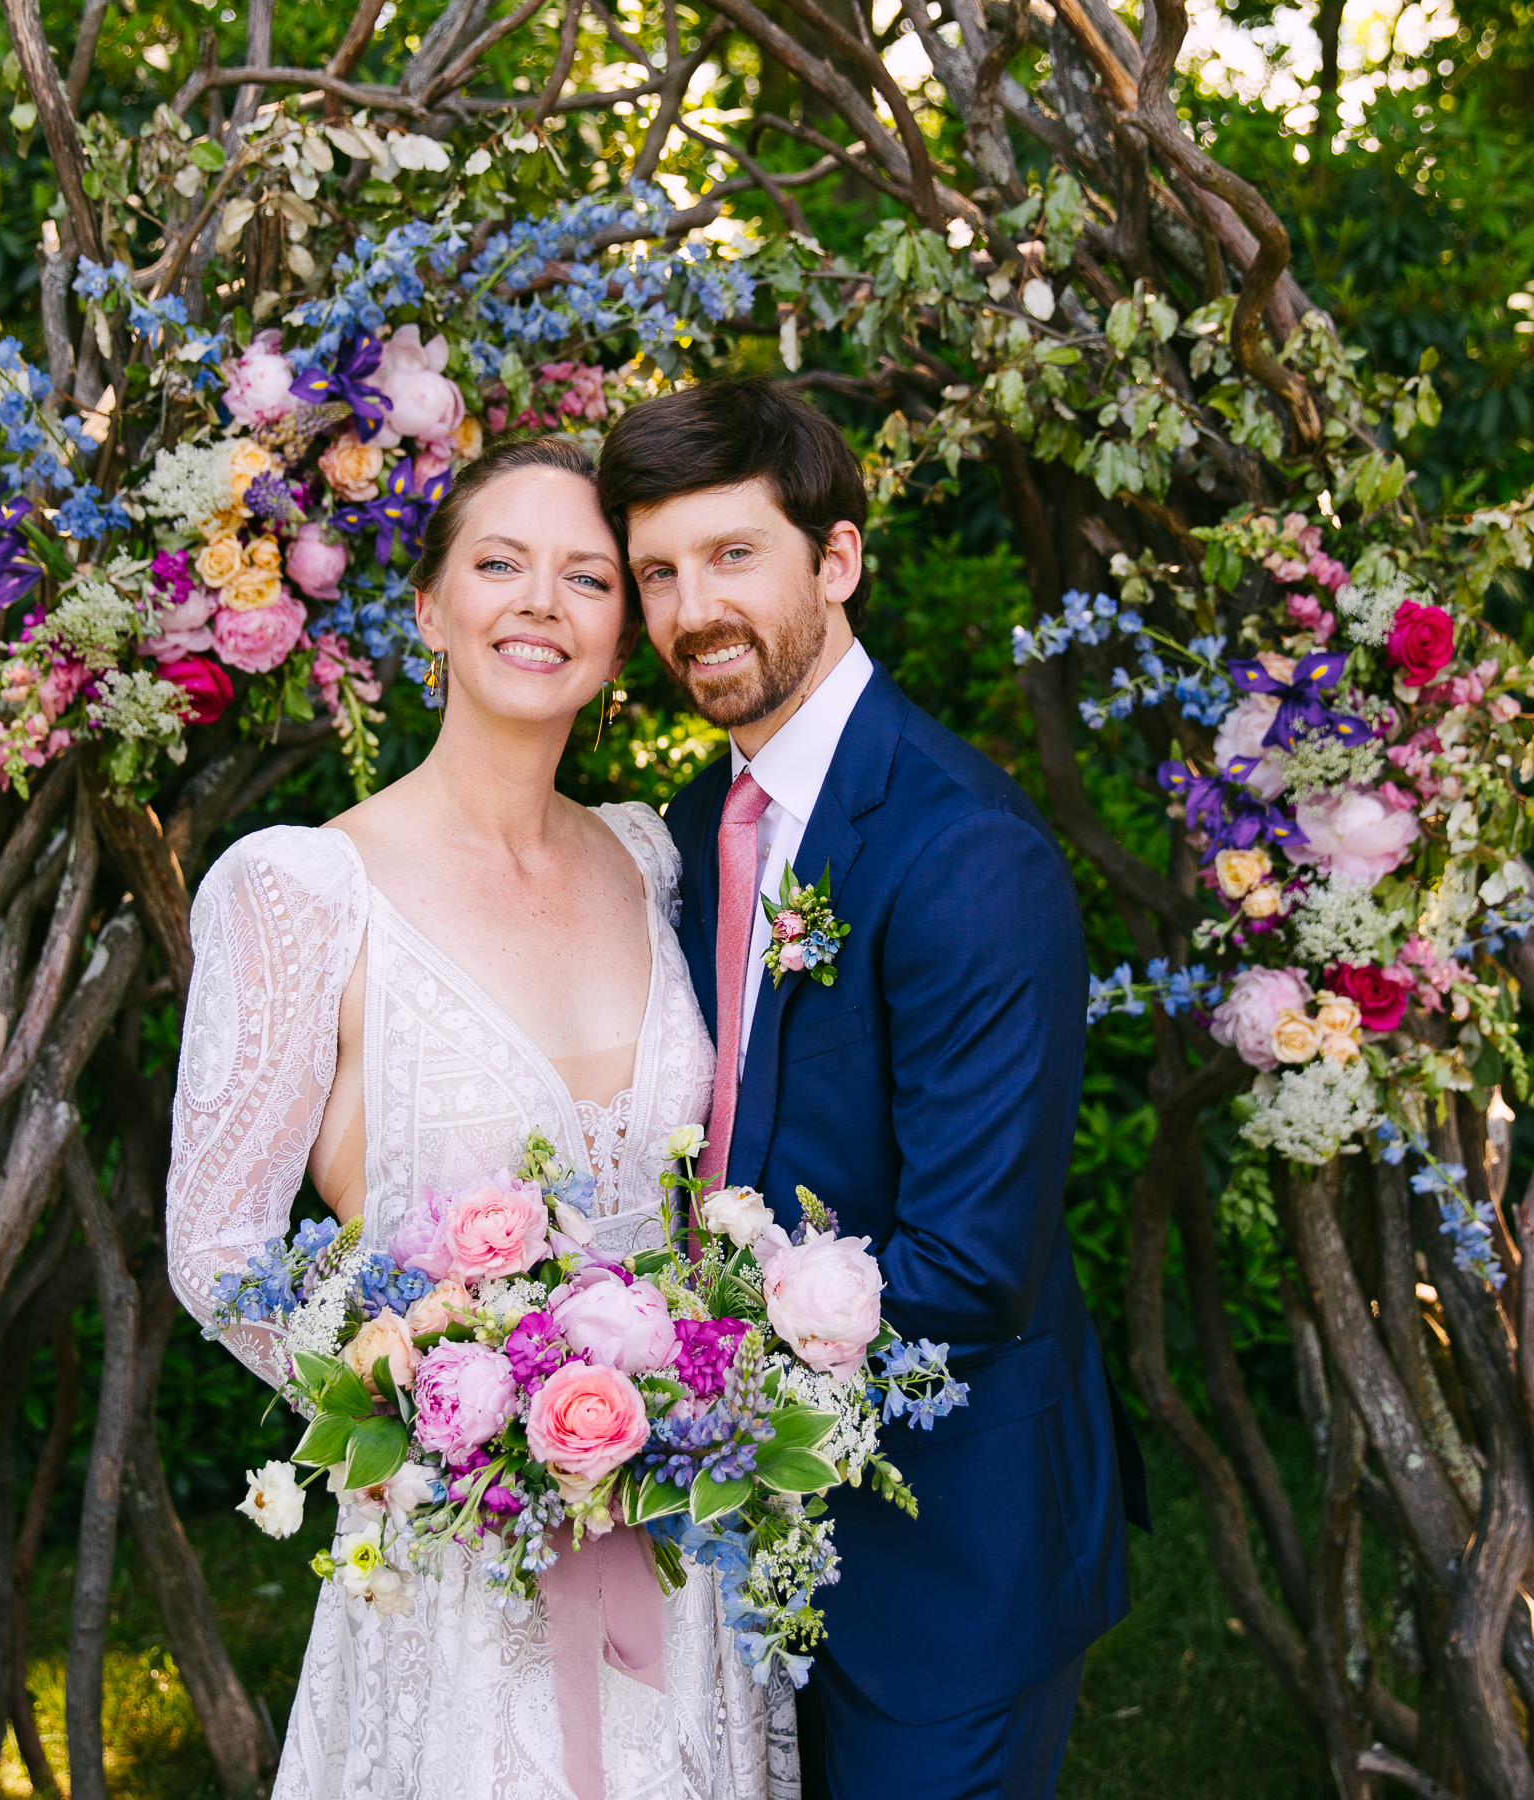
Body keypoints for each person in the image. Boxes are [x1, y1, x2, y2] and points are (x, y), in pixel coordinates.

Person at [165, 435, 794, 1800]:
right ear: (428, 610)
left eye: (585, 577)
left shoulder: (648, 859)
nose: (539, 603)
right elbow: (216, 1247)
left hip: (672, 1540)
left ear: (622, 630)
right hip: (455, 1555)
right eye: (499, 564)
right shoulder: (298, 891)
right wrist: (447, 1414)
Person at [595, 379, 1150, 1800]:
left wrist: (672, 1374)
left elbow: (971, 1266)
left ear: (835, 562)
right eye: (659, 572)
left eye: (733, 557)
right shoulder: (693, 831)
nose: (690, 611)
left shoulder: (964, 849)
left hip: (946, 1565)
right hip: (736, 1541)